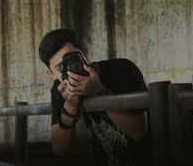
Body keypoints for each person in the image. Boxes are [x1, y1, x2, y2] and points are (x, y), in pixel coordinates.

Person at [38, 28, 152, 166]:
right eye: (61, 67)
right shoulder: (60, 89)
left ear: (85, 52)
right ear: (51, 73)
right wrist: (71, 106)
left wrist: (98, 91)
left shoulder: (122, 69)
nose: (71, 69)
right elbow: (59, 149)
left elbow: (139, 132)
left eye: (74, 59)